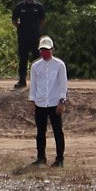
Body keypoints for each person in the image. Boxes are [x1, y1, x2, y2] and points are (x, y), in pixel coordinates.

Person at [30, 34, 68, 165]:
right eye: (42, 50)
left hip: (54, 102)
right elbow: (33, 84)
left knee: (58, 131)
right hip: (40, 102)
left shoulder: (59, 65)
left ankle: (60, 158)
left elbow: (63, 84)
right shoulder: (36, 66)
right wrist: (32, 100)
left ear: (52, 50)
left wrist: (62, 101)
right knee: (40, 132)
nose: (45, 53)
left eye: (47, 50)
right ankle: (41, 157)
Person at [11, 0, 45, 87]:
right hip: (23, 37)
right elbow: (14, 21)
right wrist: (21, 28)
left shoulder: (38, 7)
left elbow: (42, 20)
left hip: (35, 37)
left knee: (37, 59)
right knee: (23, 59)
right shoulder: (19, 7)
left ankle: (38, 81)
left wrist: (36, 28)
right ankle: (22, 81)